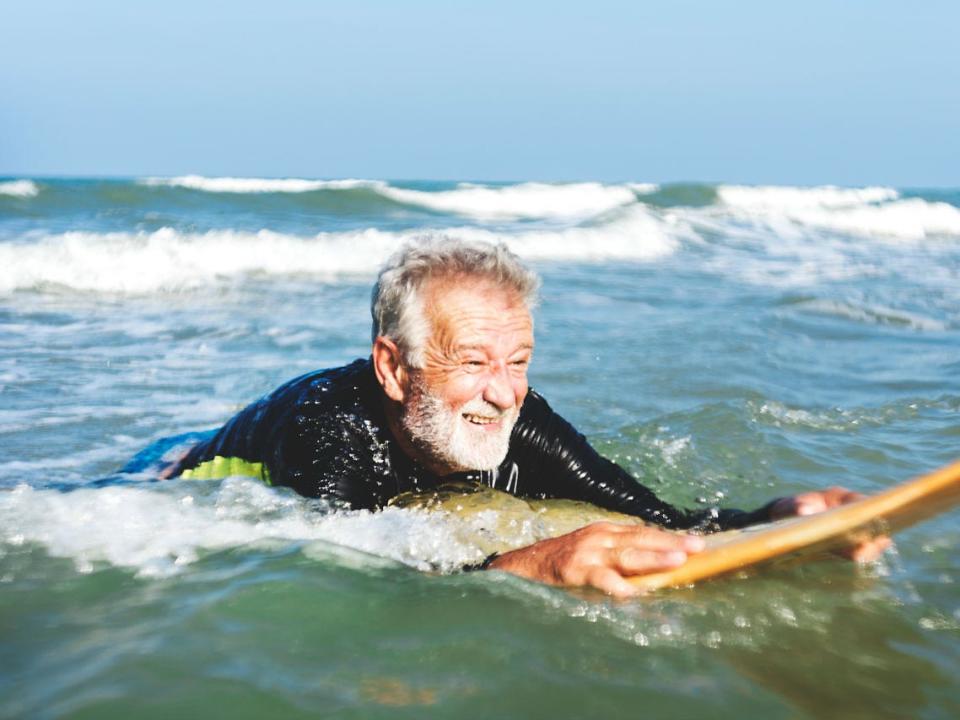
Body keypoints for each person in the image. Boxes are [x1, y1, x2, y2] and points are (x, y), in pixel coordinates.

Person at [158, 237, 888, 597]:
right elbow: (354, 573)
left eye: (519, 362)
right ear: (392, 366)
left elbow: (656, 515)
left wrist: (776, 520)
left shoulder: (516, 417)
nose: (504, 393)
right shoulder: (327, 430)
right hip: (182, 473)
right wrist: (524, 565)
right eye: (473, 363)